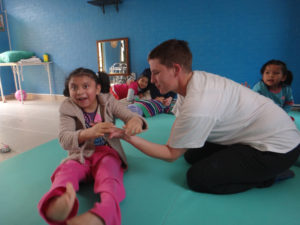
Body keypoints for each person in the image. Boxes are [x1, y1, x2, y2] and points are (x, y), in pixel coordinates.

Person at [113, 39, 300, 194]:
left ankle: (267, 177)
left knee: (197, 179)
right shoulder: (193, 80)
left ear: (176, 69)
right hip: (257, 133)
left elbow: (170, 154)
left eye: (156, 73)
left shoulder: (198, 103)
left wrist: (127, 138)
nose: (151, 80)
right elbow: (179, 128)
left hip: (277, 149)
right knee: (192, 154)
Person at [38, 68, 147, 225]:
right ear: (68, 91)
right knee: (66, 171)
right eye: (74, 87)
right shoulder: (67, 108)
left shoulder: (108, 100)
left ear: (97, 88)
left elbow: (129, 115)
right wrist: (89, 132)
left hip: (107, 153)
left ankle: (102, 215)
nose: (79, 92)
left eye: (85, 86)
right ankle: (57, 202)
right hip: (80, 154)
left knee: (109, 177)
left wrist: (135, 121)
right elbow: (64, 139)